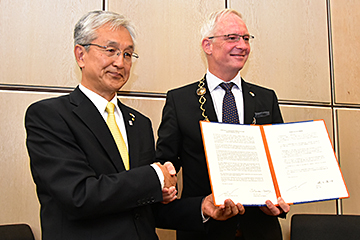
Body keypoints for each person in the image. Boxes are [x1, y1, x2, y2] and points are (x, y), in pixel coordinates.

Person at [25, 10, 244, 240]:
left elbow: (147, 207)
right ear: (81, 55)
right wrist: (155, 176)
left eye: (128, 54)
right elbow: (79, 196)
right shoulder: (49, 116)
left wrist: (203, 208)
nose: (120, 62)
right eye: (110, 51)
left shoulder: (139, 123)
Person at [156, 9, 291, 240]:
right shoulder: (180, 101)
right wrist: (165, 181)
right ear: (208, 45)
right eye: (232, 38)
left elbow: (280, 164)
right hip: (204, 231)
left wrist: (281, 197)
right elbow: (166, 162)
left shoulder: (265, 98)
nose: (243, 45)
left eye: (246, 38)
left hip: (260, 230)